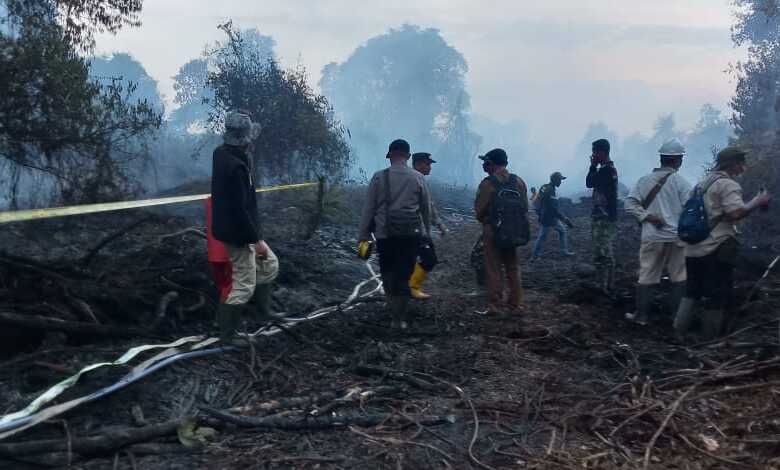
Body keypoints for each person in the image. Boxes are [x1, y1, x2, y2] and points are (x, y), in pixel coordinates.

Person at [673, 147, 770, 340]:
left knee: (692, 291)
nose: (743, 166)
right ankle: (709, 339)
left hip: (693, 248)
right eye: (741, 162)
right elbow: (735, 213)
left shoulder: (702, 183)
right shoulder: (727, 184)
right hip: (715, 248)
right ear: (733, 163)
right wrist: (757, 201)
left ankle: (678, 332)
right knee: (715, 294)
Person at [358, 139, 431, 329]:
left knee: (388, 274)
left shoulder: (378, 177)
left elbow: (368, 209)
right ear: (407, 156)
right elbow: (425, 210)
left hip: (385, 235)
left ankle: (394, 319)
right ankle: (401, 318)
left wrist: (363, 235)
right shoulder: (418, 177)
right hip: (411, 235)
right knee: (405, 275)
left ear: (390, 155)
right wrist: (427, 234)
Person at [211, 111, 267, 341]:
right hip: (237, 233)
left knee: (269, 264)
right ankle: (226, 335)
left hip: (228, 227)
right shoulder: (236, 167)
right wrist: (257, 240)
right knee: (244, 284)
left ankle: (265, 313)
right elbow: (240, 210)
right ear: (245, 139)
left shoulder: (221, 153)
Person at [624, 138, 692, 325]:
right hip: (677, 238)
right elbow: (691, 209)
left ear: (662, 158)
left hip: (652, 236)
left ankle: (641, 316)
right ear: (677, 159)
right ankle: (676, 319)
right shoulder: (682, 183)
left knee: (647, 275)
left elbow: (629, 204)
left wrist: (647, 216)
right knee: (679, 277)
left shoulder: (644, 181)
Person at [475, 148, 529, 316]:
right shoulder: (519, 182)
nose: (484, 165)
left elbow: (479, 210)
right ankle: (516, 304)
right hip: (513, 230)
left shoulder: (487, 183)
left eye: (486, 162)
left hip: (493, 229)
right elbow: (525, 208)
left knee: (493, 267)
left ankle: (495, 305)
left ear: (491, 163)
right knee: (513, 266)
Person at [409, 152, 447, 300]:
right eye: (427, 164)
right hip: (414, 229)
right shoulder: (416, 179)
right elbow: (428, 208)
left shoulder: (418, 179)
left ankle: (405, 288)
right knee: (429, 258)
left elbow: (429, 206)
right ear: (418, 164)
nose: (430, 167)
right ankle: (412, 287)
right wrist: (440, 226)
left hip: (409, 228)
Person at [586, 138, 619, 295]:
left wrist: (592, 166)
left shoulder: (605, 170)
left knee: (601, 251)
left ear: (601, 152)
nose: (593, 155)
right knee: (606, 250)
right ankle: (609, 284)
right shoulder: (609, 169)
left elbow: (589, 182)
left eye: (594, 152)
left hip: (603, 217)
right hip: (606, 216)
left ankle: (603, 286)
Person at [531, 172, 575, 259]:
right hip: (549, 218)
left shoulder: (545, 187)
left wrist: (539, 214)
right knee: (543, 236)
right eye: (560, 180)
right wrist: (565, 219)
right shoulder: (551, 190)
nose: (561, 182)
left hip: (546, 215)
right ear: (556, 180)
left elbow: (539, 202)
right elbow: (553, 209)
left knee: (560, 231)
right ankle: (535, 255)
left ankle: (563, 251)